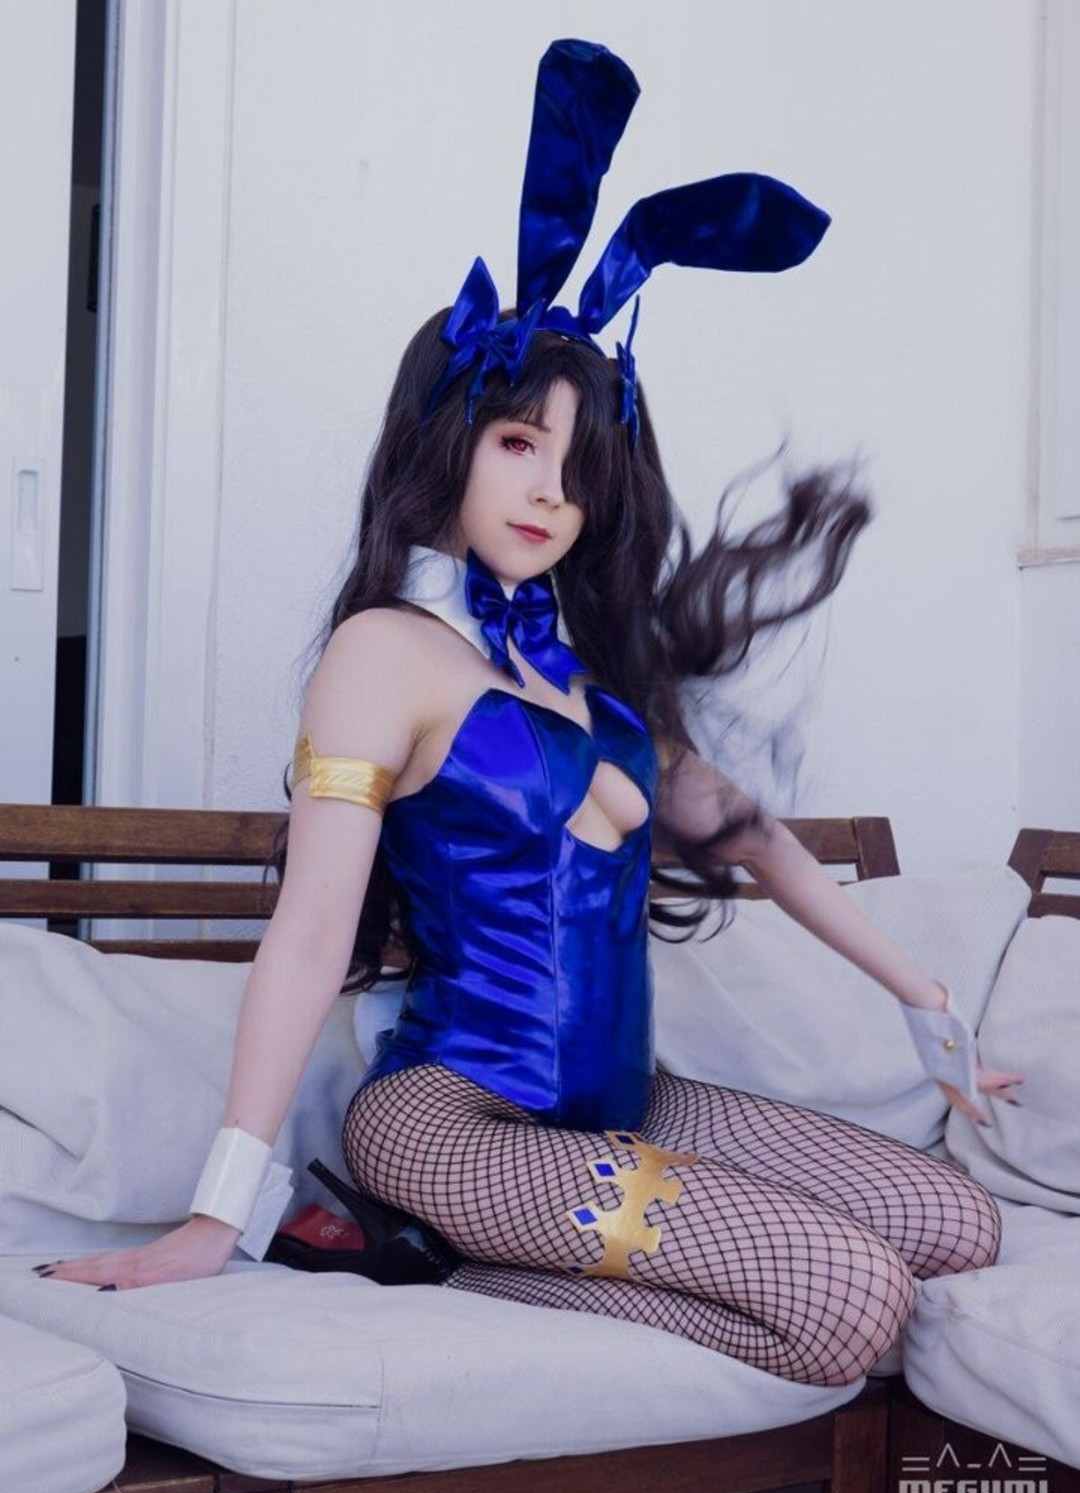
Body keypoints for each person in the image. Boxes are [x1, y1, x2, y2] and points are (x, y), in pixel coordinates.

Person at [41, 40, 1020, 1385]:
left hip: (628, 1105)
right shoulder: (384, 654)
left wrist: (931, 1006)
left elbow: (748, 835)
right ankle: (417, 1244)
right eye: (517, 445)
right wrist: (220, 1212)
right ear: (448, 443)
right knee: (848, 1299)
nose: (550, 491)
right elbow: (312, 934)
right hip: (452, 1124)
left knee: (958, 1225)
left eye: (576, 465)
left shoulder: (594, 683)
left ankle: (457, 1259)